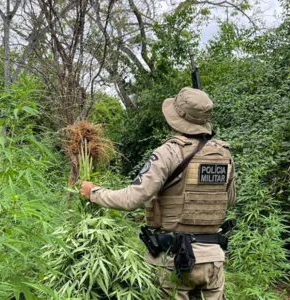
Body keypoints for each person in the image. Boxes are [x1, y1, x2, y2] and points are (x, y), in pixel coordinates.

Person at [80, 87, 236, 300]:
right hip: (213, 258)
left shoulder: (169, 152)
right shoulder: (223, 153)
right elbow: (229, 201)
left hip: (176, 259)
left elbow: (131, 199)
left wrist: (94, 193)